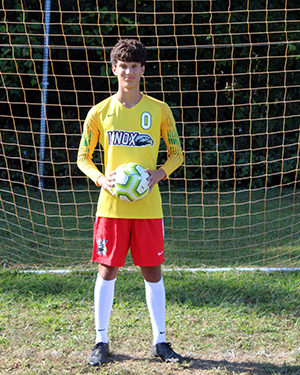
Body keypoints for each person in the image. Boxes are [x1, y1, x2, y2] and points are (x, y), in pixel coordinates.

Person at [77, 38, 184, 366]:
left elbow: (177, 153)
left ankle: (161, 341)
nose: (129, 71)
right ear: (114, 69)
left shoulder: (159, 110)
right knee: (107, 269)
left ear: (143, 70)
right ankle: (101, 340)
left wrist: (159, 173)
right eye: (123, 66)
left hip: (149, 207)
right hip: (111, 207)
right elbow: (83, 157)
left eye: (134, 66)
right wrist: (100, 178)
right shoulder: (100, 112)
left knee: (152, 270)